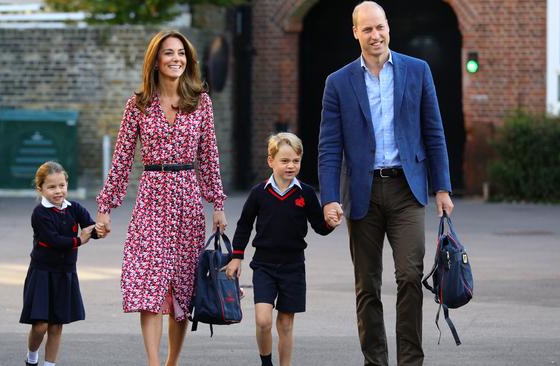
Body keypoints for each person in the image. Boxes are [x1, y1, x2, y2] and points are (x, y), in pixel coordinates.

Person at [317, 2, 455, 365]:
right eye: (367, 30)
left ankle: (410, 360)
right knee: (368, 286)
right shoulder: (338, 82)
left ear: (388, 27)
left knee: (410, 275)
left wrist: (442, 187)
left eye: (380, 27)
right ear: (355, 33)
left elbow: (434, 132)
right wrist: (329, 198)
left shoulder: (417, 70)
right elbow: (329, 147)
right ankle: (374, 361)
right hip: (361, 193)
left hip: (407, 189)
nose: (375, 36)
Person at [94, 30, 227, 366]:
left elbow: (209, 157)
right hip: (152, 199)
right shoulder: (137, 104)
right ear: (155, 60)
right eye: (168, 53)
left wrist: (218, 205)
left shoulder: (201, 102)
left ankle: (171, 363)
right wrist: (106, 207)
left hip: (187, 201)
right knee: (149, 286)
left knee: (182, 289)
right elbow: (122, 160)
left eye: (181, 53)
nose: (176, 59)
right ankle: (154, 363)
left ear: (189, 59)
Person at [226, 132, 338, 366]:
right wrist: (237, 257)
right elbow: (244, 225)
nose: (290, 166)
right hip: (264, 266)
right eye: (284, 161)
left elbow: (319, 226)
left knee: (286, 323)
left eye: (295, 161)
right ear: (271, 161)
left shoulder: (305, 193)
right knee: (263, 320)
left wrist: (330, 223)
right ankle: (266, 362)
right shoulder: (259, 193)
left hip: (293, 267)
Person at [20, 161, 98, 366]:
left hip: (65, 274)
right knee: (40, 325)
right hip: (42, 273)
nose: (58, 191)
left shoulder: (75, 208)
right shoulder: (40, 214)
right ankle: (32, 357)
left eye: (61, 185)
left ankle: (49, 364)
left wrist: (100, 228)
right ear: (41, 189)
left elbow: (91, 227)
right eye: (51, 187)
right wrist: (80, 240)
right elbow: (54, 241)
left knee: (56, 326)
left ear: (67, 184)